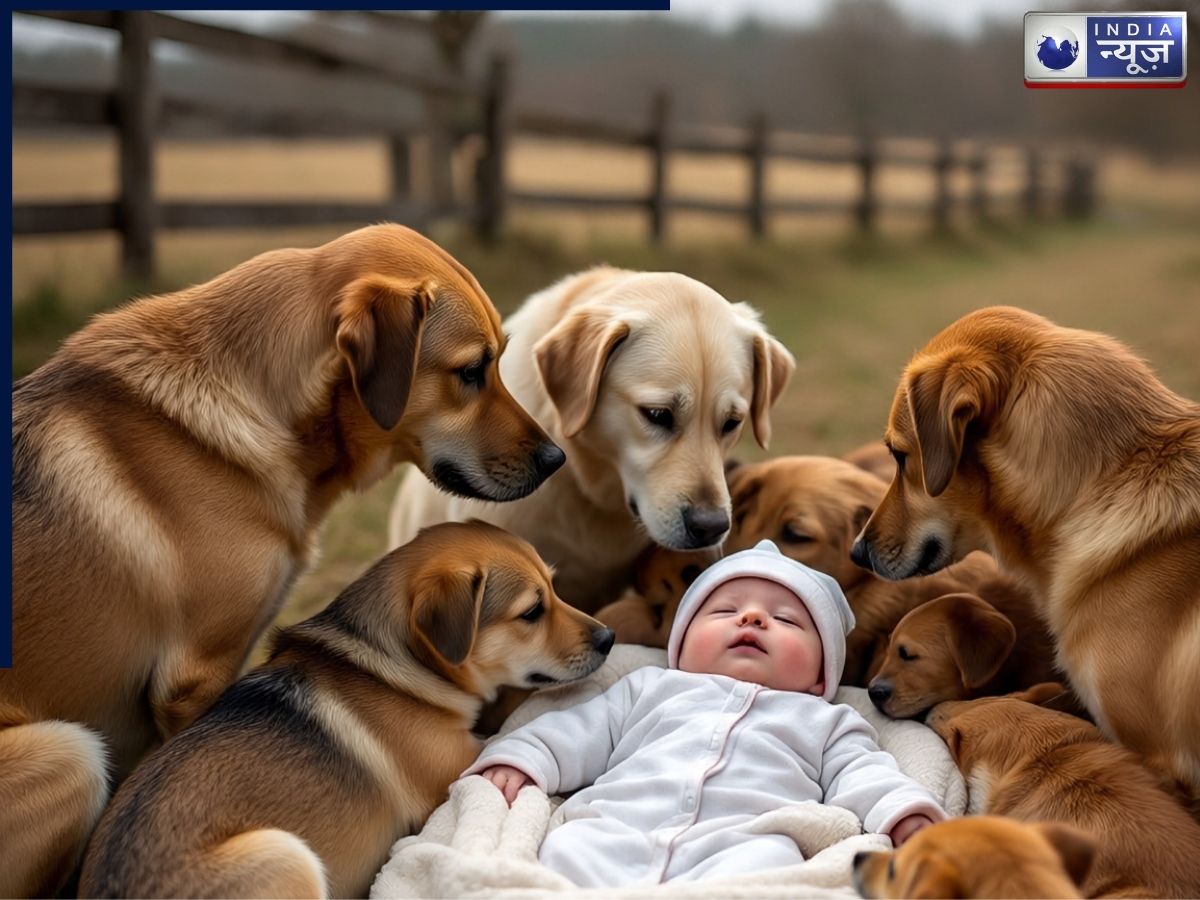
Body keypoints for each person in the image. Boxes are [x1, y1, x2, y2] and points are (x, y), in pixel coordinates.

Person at [462, 540, 946, 887]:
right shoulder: (648, 689)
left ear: (822, 678)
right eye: (724, 611)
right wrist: (520, 760)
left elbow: (867, 774)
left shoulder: (826, 721)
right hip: (618, 828)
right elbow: (572, 732)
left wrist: (903, 815)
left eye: (785, 619)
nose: (752, 618)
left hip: (739, 842)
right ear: (681, 649)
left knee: (769, 866)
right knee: (568, 848)